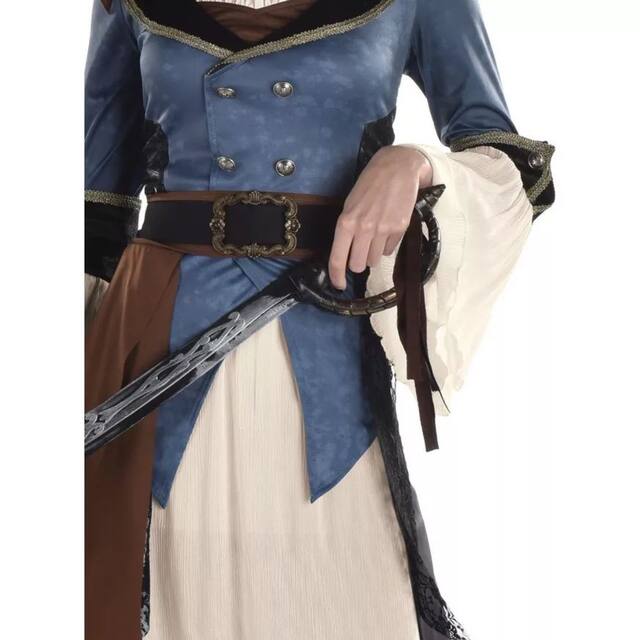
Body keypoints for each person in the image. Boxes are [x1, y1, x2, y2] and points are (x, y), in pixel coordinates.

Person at [84, 1, 555, 639]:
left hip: (326, 331)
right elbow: (95, 211)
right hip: (157, 344)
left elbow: (511, 168)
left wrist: (414, 163)